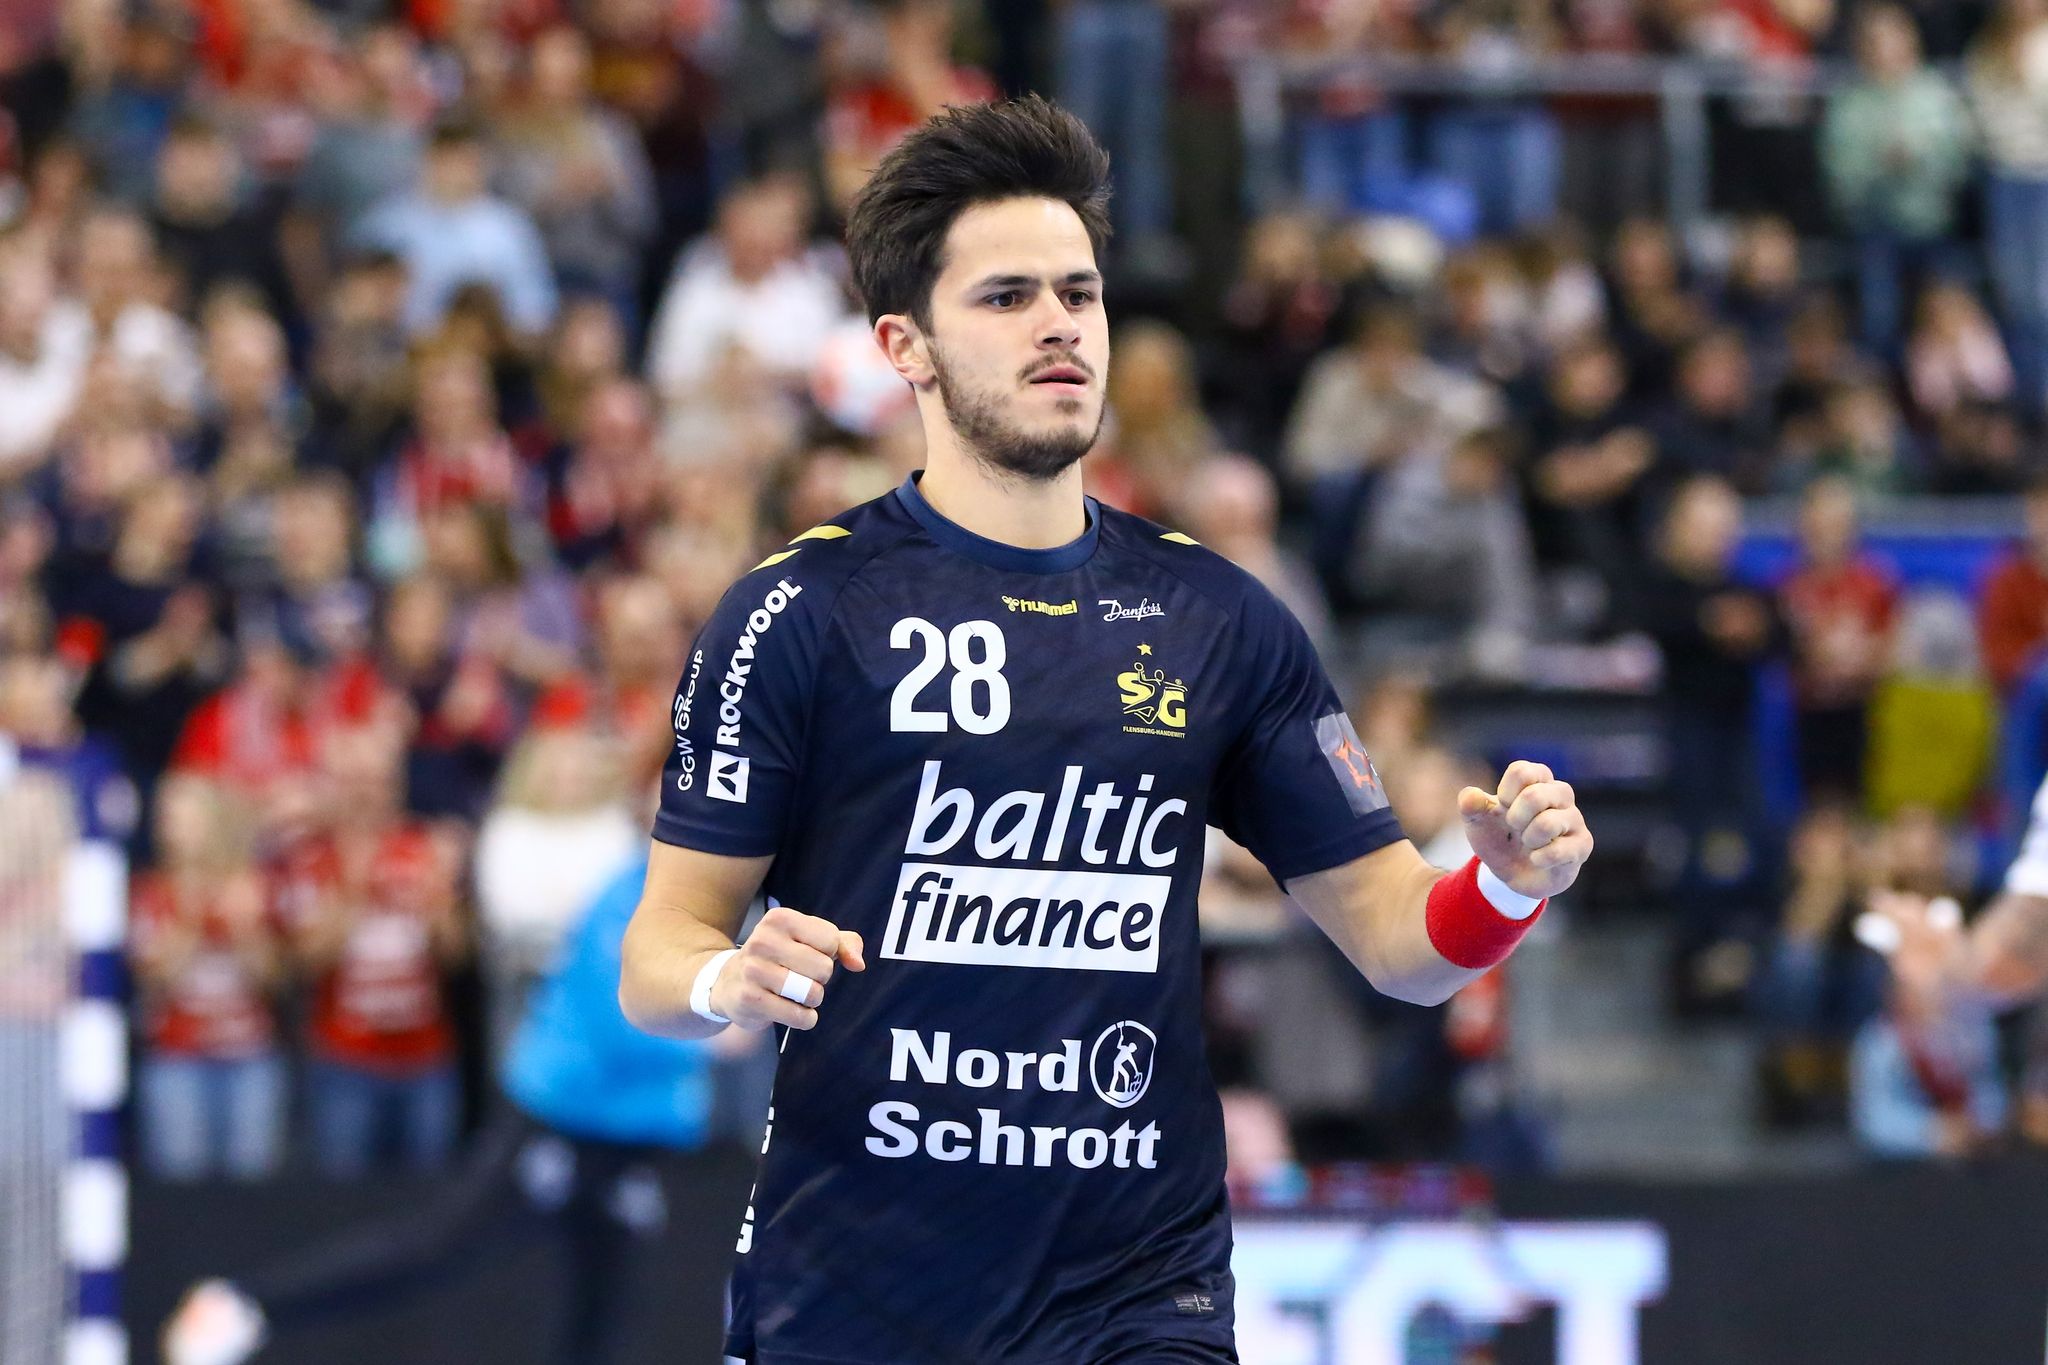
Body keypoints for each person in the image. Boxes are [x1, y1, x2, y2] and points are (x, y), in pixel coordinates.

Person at [617, 96, 1594, 1365]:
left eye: (1078, 292)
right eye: (1006, 296)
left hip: (1138, 1292)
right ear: (906, 346)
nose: (1059, 323)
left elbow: (1399, 945)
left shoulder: (1218, 617)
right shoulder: (797, 611)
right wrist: (725, 978)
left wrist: (1503, 888)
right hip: (859, 1292)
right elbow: (658, 953)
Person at [160, 853, 714, 1365]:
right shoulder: (634, 897)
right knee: (439, 1245)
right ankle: (243, 1304)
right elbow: (622, 1016)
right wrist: (716, 1023)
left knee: (609, 1300)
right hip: (564, 1122)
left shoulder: (714, 900)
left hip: (634, 1142)